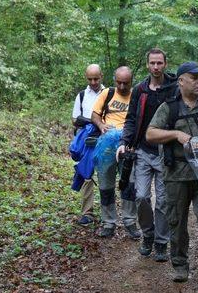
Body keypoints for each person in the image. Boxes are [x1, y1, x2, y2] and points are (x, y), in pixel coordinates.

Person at [146, 61, 198, 292]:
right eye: (194, 77)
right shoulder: (169, 108)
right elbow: (150, 134)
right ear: (181, 81)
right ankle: (180, 265)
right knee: (177, 221)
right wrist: (175, 134)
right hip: (176, 174)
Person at [117, 48, 176, 262]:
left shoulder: (174, 89)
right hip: (142, 150)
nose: (156, 67)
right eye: (153, 63)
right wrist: (124, 142)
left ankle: (161, 242)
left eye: (160, 63)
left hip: (165, 152)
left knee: (162, 201)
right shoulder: (140, 90)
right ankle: (148, 235)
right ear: (147, 65)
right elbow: (131, 118)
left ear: (165, 64)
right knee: (141, 196)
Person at [91, 66, 140, 239]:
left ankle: (130, 221)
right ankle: (108, 223)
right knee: (105, 184)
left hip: (128, 145)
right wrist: (100, 125)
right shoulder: (107, 94)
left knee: (130, 183)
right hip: (106, 145)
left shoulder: (137, 95)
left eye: (125, 83)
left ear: (131, 81)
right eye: (118, 82)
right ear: (114, 80)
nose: (121, 86)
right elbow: (95, 114)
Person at [72, 64, 105, 226]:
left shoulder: (109, 93)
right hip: (87, 142)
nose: (93, 82)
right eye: (90, 79)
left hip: (105, 140)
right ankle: (87, 213)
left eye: (96, 78)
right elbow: (74, 119)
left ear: (102, 76)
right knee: (86, 176)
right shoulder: (82, 95)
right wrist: (88, 122)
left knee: (106, 176)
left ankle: (108, 214)